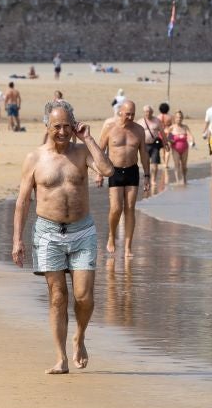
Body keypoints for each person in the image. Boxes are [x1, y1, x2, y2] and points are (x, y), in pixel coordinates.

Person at [12, 100, 115, 374]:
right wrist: (17, 240)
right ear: (47, 126)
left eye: (67, 125)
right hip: (48, 233)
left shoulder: (82, 152)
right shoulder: (35, 158)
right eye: (56, 126)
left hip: (82, 231)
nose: (62, 131)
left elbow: (107, 170)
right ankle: (60, 358)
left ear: (74, 125)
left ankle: (79, 337)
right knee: (58, 296)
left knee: (84, 297)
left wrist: (89, 138)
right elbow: (23, 201)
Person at [97, 101, 150, 257]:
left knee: (130, 208)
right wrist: (99, 173)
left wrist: (147, 175)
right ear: (120, 112)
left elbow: (144, 154)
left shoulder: (139, 130)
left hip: (132, 171)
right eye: (128, 113)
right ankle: (112, 236)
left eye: (133, 113)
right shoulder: (110, 128)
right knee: (116, 208)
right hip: (114, 171)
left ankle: (128, 247)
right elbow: (100, 151)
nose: (131, 117)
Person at [138, 105, 167, 191]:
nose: (148, 113)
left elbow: (162, 133)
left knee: (155, 164)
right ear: (144, 113)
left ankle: (153, 180)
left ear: (152, 112)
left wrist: (165, 144)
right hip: (144, 145)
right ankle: (147, 178)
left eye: (149, 112)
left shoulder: (157, 121)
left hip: (155, 144)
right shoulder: (140, 122)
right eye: (146, 112)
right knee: (145, 163)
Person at [167, 111, 194, 185]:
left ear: (182, 118)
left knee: (184, 165)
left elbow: (190, 135)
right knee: (176, 164)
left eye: (180, 117)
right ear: (175, 118)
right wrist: (171, 140)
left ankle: (184, 179)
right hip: (175, 148)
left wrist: (192, 141)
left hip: (185, 148)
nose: (179, 119)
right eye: (177, 117)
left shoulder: (185, 127)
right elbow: (168, 138)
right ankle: (177, 180)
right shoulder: (172, 128)